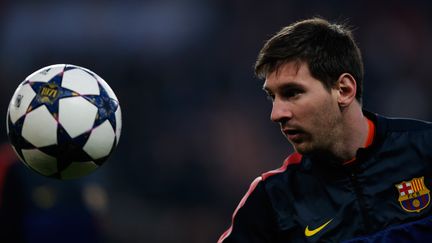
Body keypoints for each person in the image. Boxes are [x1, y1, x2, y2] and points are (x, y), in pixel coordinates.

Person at [218, 17, 432, 242]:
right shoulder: (271, 198)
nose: (276, 114)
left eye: (292, 93)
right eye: (272, 97)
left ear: (344, 90)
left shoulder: (425, 148)